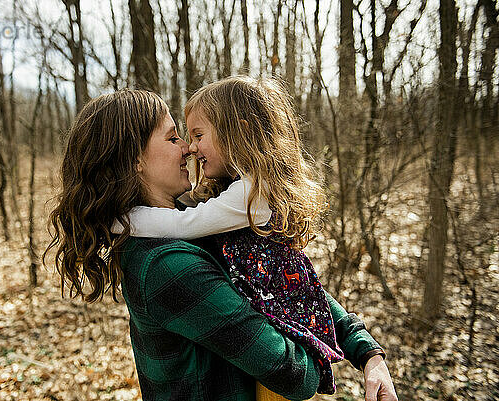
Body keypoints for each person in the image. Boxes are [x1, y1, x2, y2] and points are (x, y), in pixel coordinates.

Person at [45, 88, 397, 401]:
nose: (187, 148)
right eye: (172, 139)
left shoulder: (196, 217)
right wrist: (312, 345)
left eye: (189, 136)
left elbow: (289, 284)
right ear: (135, 160)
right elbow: (297, 377)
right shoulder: (167, 266)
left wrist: (367, 354)